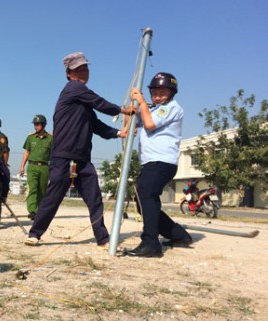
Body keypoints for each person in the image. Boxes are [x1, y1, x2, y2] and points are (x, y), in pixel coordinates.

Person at [24, 52, 135, 247]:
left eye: (85, 68)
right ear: (69, 73)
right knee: (53, 196)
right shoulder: (73, 89)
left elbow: (96, 125)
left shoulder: (83, 102)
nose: (83, 72)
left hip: (82, 158)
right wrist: (123, 110)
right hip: (63, 156)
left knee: (94, 199)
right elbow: (100, 102)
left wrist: (119, 134)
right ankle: (35, 233)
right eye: (78, 69)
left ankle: (103, 239)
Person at [122, 72, 192, 257]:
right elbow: (131, 125)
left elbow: (150, 124)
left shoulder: (171, 108)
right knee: (142, 199)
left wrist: (143, 103)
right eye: (154, 93)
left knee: (146, 194)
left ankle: (151, 243)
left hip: (163, 161)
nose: (158, 96)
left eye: (162, 93)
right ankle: (178, 234)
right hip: (151, 162)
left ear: (171, 93)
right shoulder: (151, 108)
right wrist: (130, 108)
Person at [19, 114, 53, 220]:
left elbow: (54, 155)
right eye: (35, 124)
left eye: (38, 124)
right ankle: (33, 211)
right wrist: (22, 166)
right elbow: (26, 152)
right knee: (33, 189)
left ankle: (40, 210)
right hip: (32, 166)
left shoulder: (51, 138)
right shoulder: (30, 137)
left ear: (43, 125)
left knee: (42, 190)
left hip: (44, 168)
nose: (36, 126)